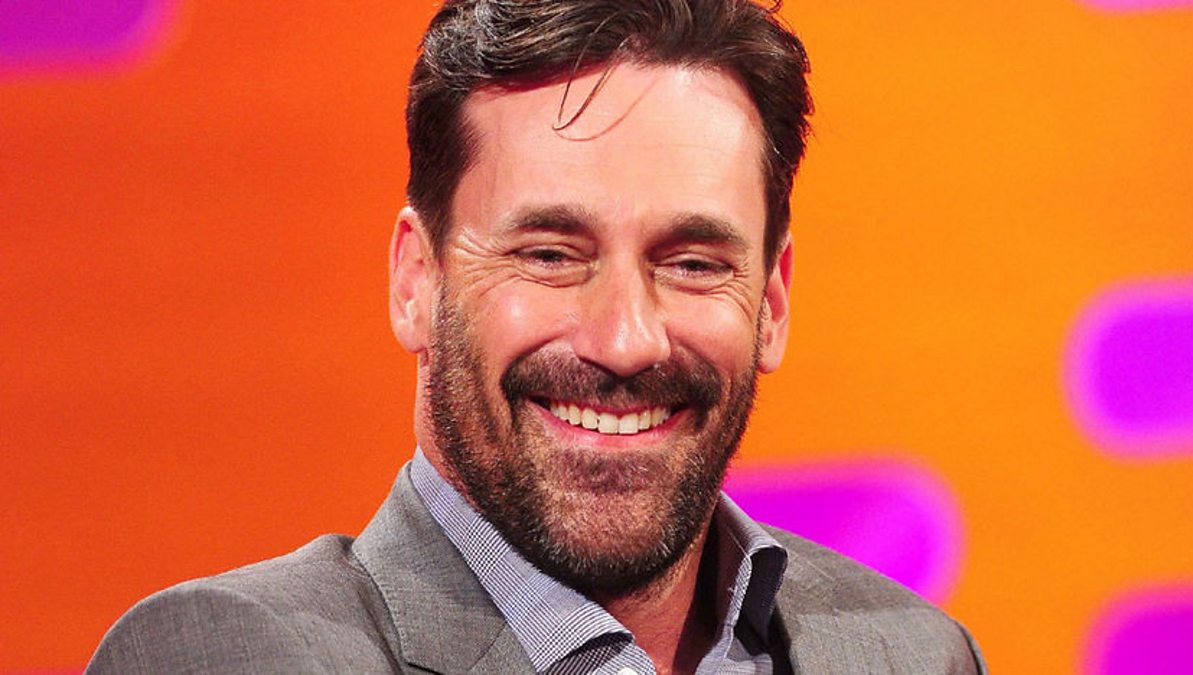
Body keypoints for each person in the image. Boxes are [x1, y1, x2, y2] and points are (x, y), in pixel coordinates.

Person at [87, 1, 986, 673]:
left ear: (773, 301)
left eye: (692, 263)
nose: (626, 339)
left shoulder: (914, 654)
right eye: (551, 254)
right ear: (416, 281)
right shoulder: (235, 654)